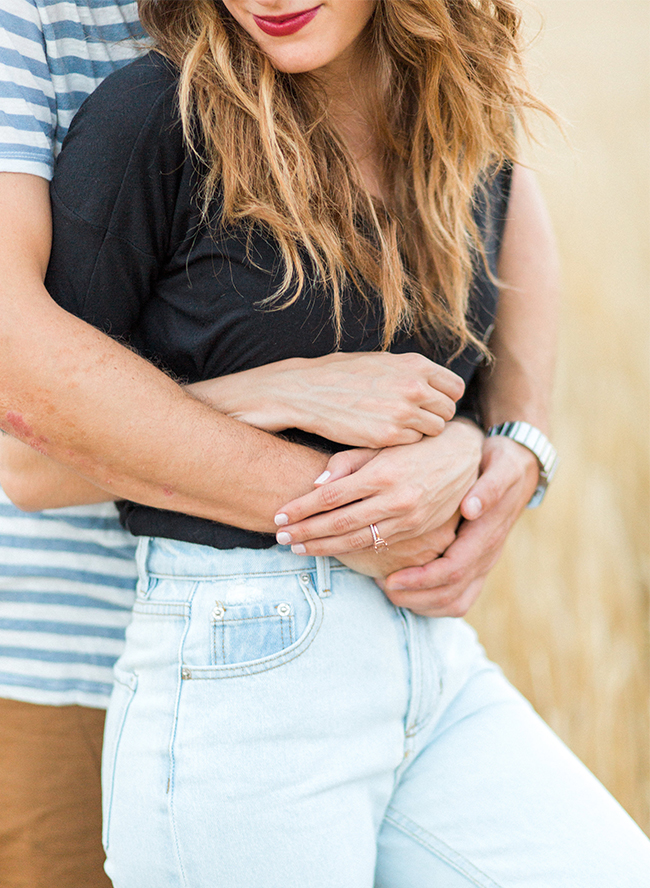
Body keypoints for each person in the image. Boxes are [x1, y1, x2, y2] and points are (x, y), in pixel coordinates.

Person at [8, 0, 649, 885]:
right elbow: (31, 448)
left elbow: (500, 271)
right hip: (233, 667)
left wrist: (492, 447)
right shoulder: (153, 116)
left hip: (429, 664)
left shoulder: (445, 114)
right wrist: (306, 430)